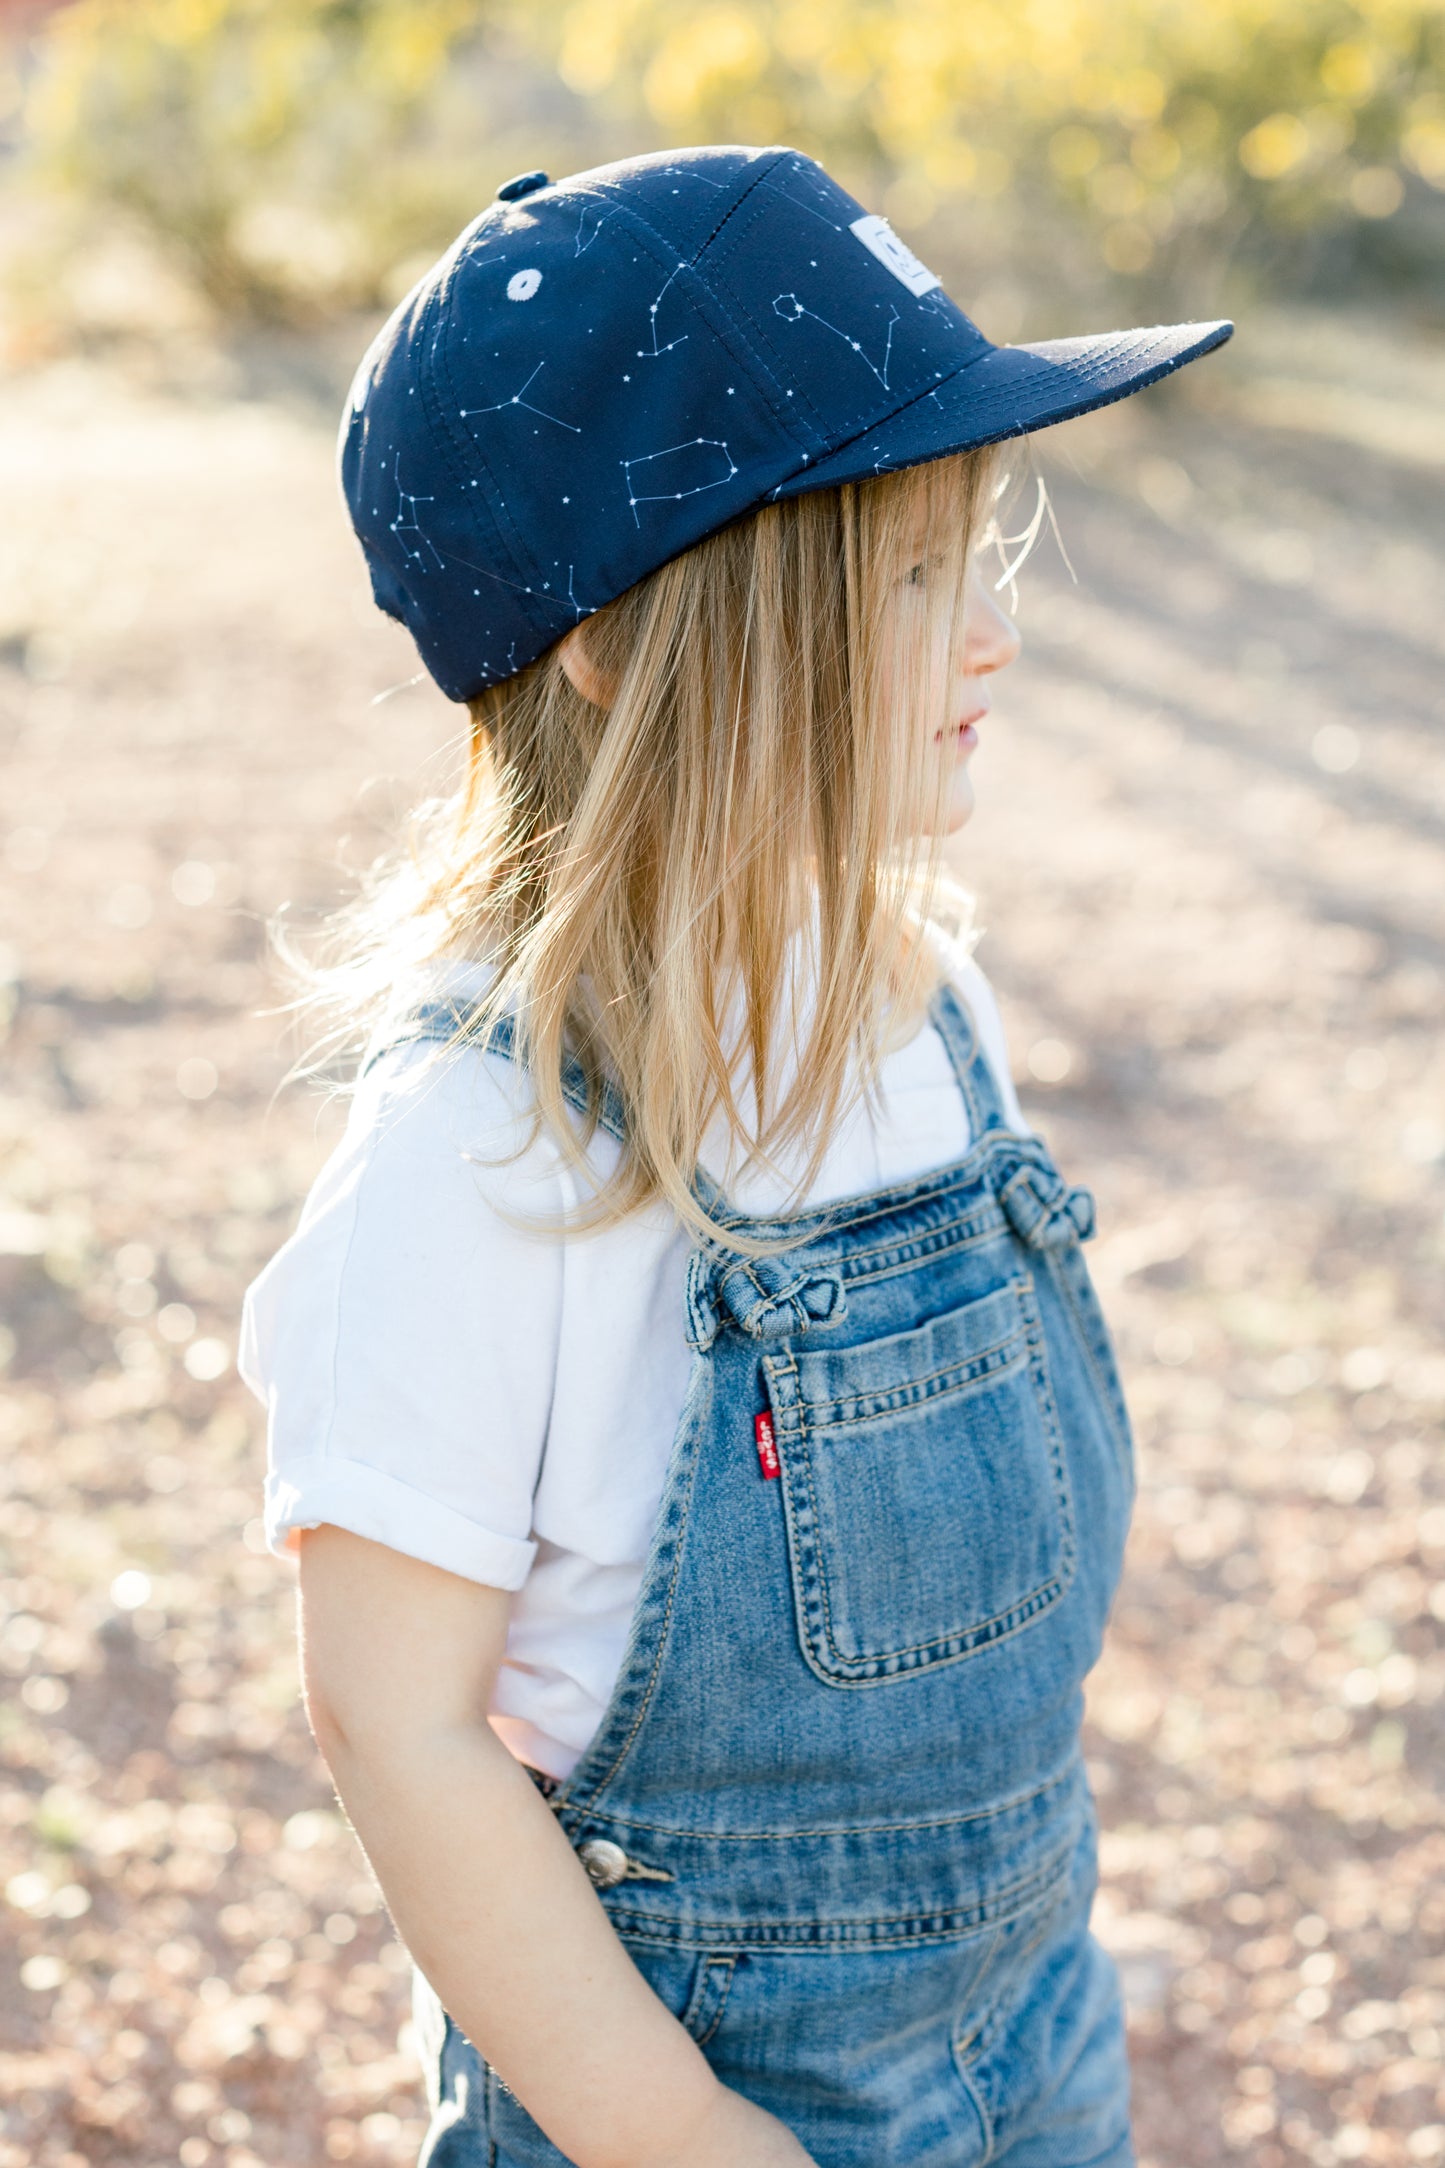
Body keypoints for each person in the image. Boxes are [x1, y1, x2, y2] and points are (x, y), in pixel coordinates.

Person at [239, 143, 1232, 2168]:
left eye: (984, 554)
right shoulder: (487, 1151)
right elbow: (398, 1724)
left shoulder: (928, 1007)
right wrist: (676, 2130)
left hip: (1034, 2032)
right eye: (907, 575)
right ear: (621, 639)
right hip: (687, 2090)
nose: (994, 637)